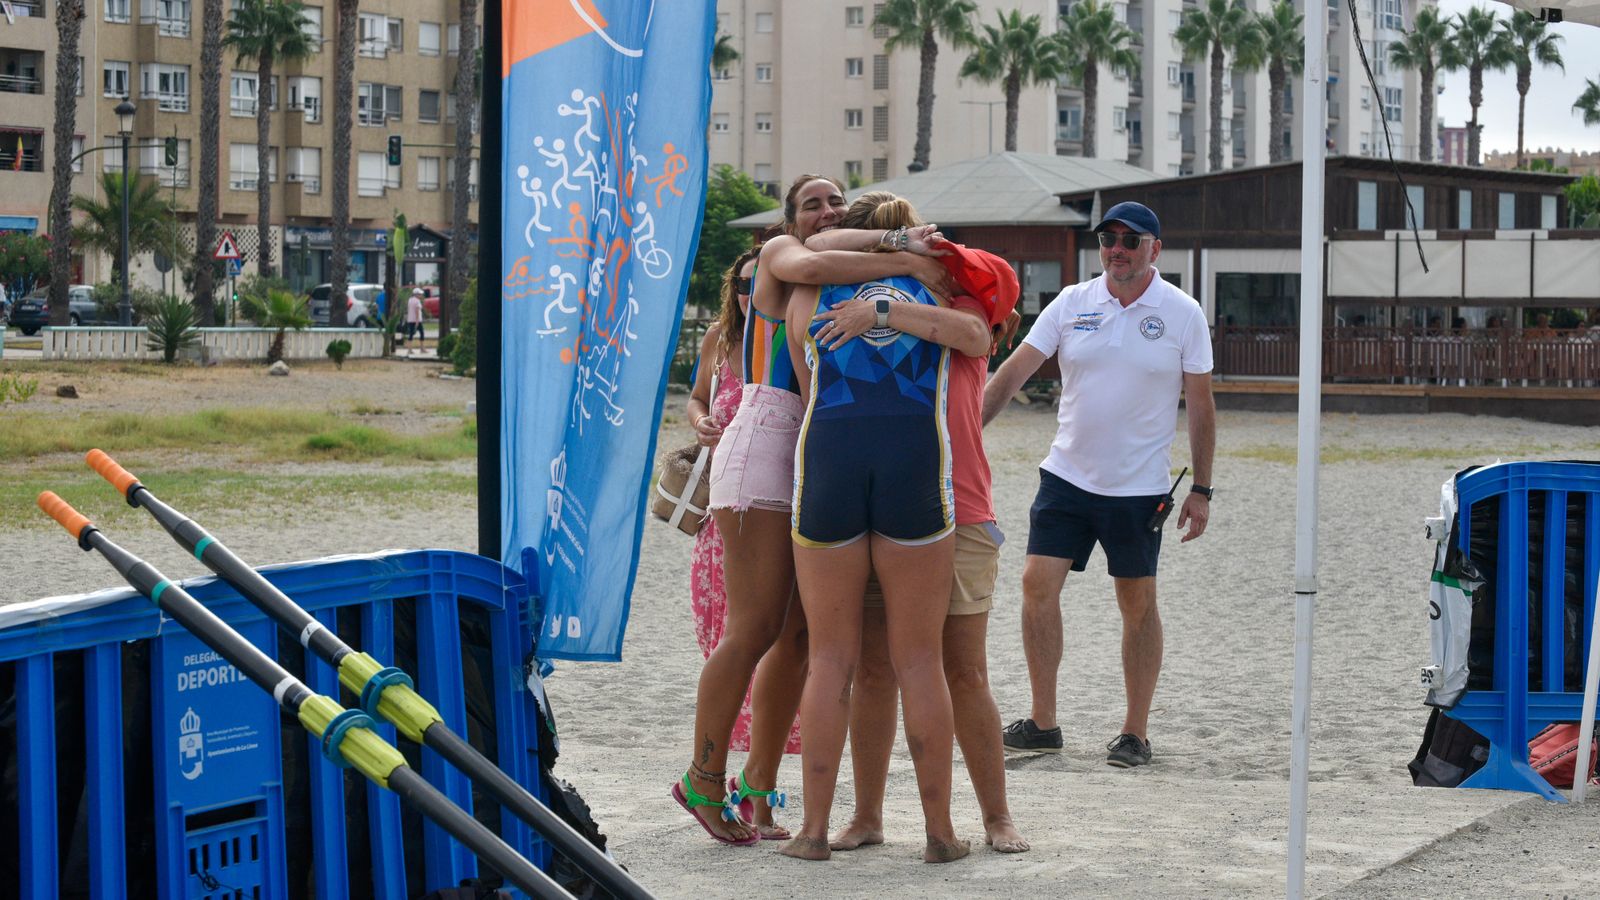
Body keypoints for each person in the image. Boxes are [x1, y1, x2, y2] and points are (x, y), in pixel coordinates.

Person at [674, 174, 953, 846]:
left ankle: (759, 789)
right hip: (768, 442)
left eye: (834, 201)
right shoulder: (780, 258)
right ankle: (701, 780)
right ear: (788, 216)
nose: (825, 212)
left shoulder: (834, 281)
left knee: (799, 640)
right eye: (811, 204)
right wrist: (910, 255)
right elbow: (821, 256)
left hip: (814, 452)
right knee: (754, 628)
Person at [809, 194, 1031, 856]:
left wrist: (886, 302)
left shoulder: (955, 297)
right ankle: (868, 816)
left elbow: (971, 339)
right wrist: (888, 255)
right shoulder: (846, 298)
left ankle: (996, 816)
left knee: (962, 671)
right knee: (875, 670)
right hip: (881, 509)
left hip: (958, 508)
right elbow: (815, 250)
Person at [982, 201, 1215, 768]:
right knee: (1037, 585)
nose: (1117, 249)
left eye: (1130, 241)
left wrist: (1202, 490)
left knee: (1136, 603)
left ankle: (1134, 732)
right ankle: (1043, 722)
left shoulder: (1183, 314)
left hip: (1139, 488)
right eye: (1108, 239)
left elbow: (1202, 408)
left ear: (1155, 250)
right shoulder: (1072, 301)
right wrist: (964, 433)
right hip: (1066, 477)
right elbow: (1014, 371)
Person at [685, 247, 803, 761]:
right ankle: (720, 763)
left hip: (785, 495)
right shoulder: (721, 338)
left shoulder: (788, 334)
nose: (750, 293)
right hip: (729, 504)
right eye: (742, 284)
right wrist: (699, 421)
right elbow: (695, 396)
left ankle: (760, 767)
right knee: (735, 635)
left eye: (761, 283)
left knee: (779, 636)